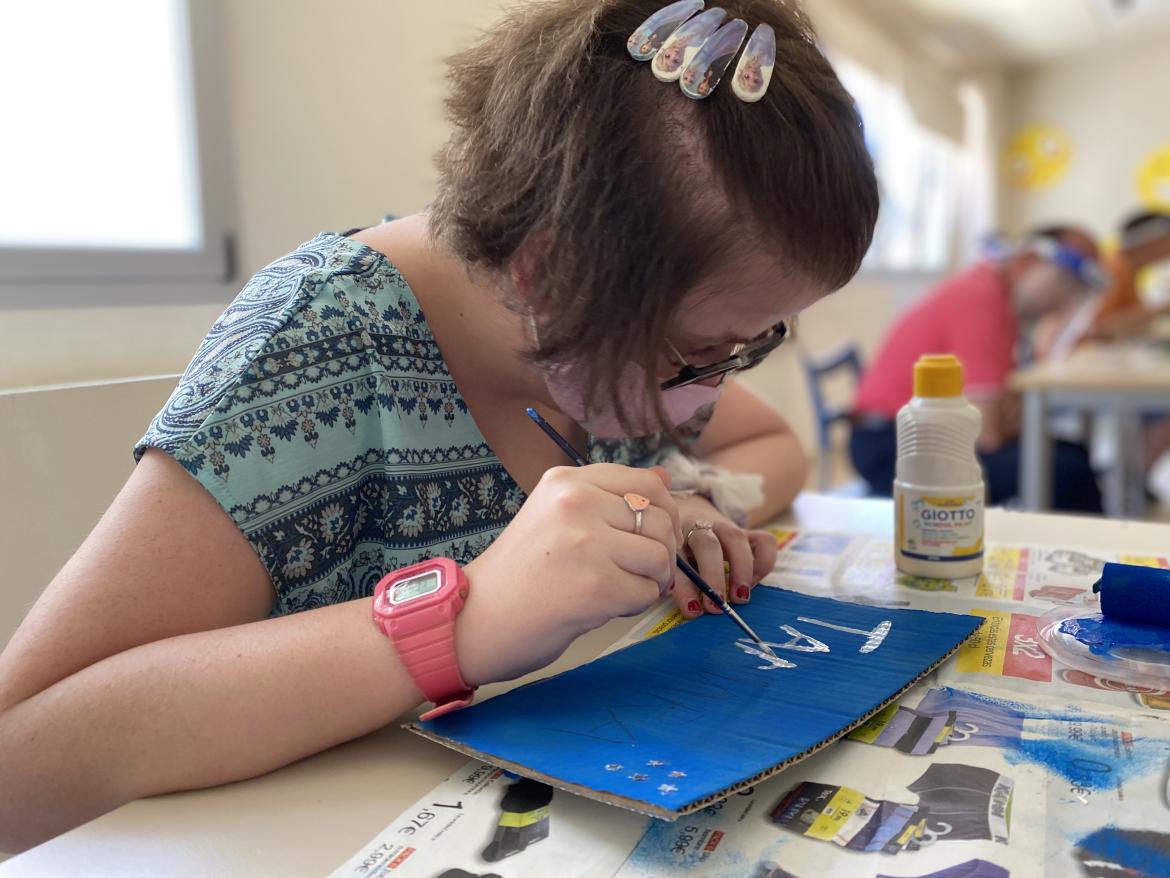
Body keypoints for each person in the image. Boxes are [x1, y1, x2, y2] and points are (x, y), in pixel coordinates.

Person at [0, 0, 878, 852]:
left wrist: (679, 501)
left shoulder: (608, 340)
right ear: (551, 272)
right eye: (697, 352)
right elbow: (22, 763)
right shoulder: (318, 346)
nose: (703, 397)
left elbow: (771, 449)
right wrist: (464, 621)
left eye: (748, 348)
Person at [850, 227, 1105, 512]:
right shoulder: (984, 300)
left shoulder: (991, 293)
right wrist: (1005, 413)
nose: (1063, 303)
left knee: (1073, 453)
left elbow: (1005, 409)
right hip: (896, 445)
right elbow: (989, 432)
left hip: (908, 432)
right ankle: (1085, 554)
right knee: (1068, 471)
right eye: (1064, 284)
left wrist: (1006, 412)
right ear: (1028, 262)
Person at [1087, 211, 1170, 340]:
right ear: (1151, 240)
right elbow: (1098, 328)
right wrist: (1164, 309)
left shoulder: (1126, 269)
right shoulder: (1114, 269)